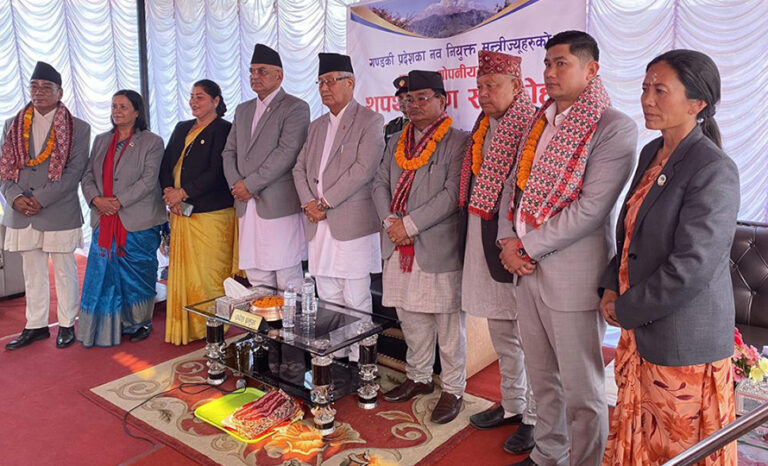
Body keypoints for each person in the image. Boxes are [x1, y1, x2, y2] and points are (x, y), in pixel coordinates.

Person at [496, 31, 637, 466]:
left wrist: (525, 247)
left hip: (571, 276)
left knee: (582, 390)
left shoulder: (614, 127)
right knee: (542, 379)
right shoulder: (540, 121)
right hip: (526, 272)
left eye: (561, 63)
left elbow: (591, 209)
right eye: (547, 63)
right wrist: (506, 239)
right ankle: (547, 453)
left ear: (591, 69)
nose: (550, 72)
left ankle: (585, 461)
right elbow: (513, 187)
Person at [601, 50, 739, 466]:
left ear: (697, 103)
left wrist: (626, 308)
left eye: (660, 90)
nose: (647, 99)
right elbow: (631, 232)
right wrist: (610, 286)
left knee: (677, 450)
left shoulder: (713, 168)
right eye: (645, 88)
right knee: (642, 440)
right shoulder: (652, 152)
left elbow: (692, 267)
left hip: (681, 340)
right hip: (641, 326)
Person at [373, 70, 470, 424]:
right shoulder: (394, 141)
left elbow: (452, 194)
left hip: (437, 247)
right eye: (408, 99)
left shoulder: (459, 141)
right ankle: (418, 377)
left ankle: (454, 388)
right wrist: (391, 224)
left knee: (448, 325)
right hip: (398, 245)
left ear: (442, 101)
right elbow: (379, 184)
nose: (413, 105)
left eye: (422, 98)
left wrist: (409, 225)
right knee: (410, 317)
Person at [459, 50, 537, 453]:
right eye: (480, 86)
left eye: (492, 85)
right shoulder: (483, 123)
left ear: (516, 86)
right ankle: (512, 404)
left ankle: (536, 419)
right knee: (502, 335)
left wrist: (516, 243)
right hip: (483, 238)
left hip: (517, 248)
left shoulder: (532, 125)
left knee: (530, 340)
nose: (484, 93)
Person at [292, 53, 384, 354]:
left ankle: (361, 360)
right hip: (318, 226)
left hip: (351, 224)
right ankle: (337, 355)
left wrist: (325, 203)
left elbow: (364, 169)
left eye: (331, 81)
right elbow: (299, 168)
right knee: (329, 295)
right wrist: (309, 203)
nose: (324, 88)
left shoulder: (370, 120)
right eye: (320, 82)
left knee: (356, 297)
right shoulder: (316, 126)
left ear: (350, 83)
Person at [1, 61, 90, 350]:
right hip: (22, 211)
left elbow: (74, 173)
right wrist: (15, 198)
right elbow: (5, 169)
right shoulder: (11, 124)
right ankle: (35, 325)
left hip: (58, 209)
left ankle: (66, 323)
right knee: (32, 271)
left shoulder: (78, 128)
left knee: (64, 269)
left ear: (59, 92)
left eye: (46, 87)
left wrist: (40, 199)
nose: (38, 92)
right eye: (34, 86)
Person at [78, 90, 166, 347]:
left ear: (137, 111)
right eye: (114, 106)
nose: (117, 111)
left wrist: (117, 202)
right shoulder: (102, 140)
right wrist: (96, 200)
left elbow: (148, 180)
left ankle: (140, 322)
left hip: (137, 221)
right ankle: (106, 325)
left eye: (123, 107)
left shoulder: (152, 142)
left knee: (137, 274)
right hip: (103, 219)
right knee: (102, 274)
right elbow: (87, 176)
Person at [223, 44, 310, 290]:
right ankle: (264, 317)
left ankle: (289, 318)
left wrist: (249, 185)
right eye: (252, 71)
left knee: (287, 279)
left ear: (279, 76)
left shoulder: (295, 107)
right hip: (246, 204)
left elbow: (287, 152)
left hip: (277, 204)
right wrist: (237, 185)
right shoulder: (243, 109)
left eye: (262, 71)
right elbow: (229, 152)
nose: (255, 76)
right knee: (257, 277)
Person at [160, 79, 234, 345]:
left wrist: (183, 193)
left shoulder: (224, 129)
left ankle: (212, 328)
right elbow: (166, 164)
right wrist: (169, 193)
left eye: (200, 97)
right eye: (191, 96)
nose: (193, 102)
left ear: (216, 101)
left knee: (209, 275)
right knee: (184, 273)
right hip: (180, 212)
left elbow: (217, 172)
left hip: (212, 213)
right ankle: (186, 326)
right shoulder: (182, 128)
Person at [383, 75, 409, 145]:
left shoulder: (423, 125)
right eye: (400, 97)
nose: (403, 101)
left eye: (408, 97)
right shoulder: (390, 127)